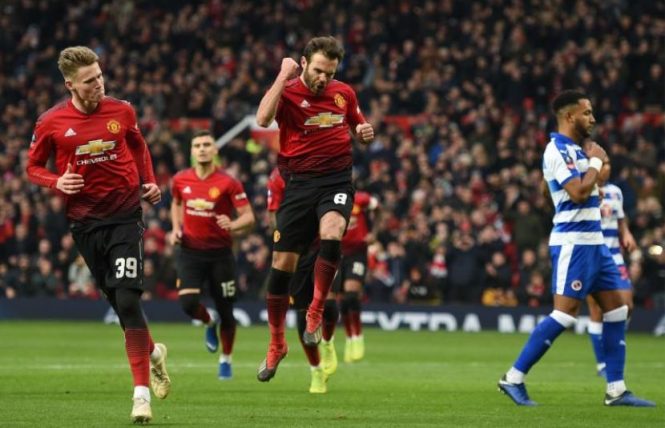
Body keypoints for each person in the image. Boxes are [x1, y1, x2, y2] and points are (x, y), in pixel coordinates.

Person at [26, 46, 171, 423]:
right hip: (85, 223)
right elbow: (32, 167)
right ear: (70, 85)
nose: (99, 84)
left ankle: (140, 396)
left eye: (100, 76)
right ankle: (154, 355)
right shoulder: (51, 122)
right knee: (119, 304)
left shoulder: (122, 111)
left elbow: (138, 145)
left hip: (125, 216)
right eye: (90, 80)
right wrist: (57, 181)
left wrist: (149, 181)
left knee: (127, 300)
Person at [497, 90, 654, 407]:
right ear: (570, 116)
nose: (592, 118)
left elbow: (553, 190)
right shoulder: (558, 149)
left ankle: (616, 390)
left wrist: (585, 181)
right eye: (587, 113)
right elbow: (579, 192)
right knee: (565, 314)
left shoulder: (575, 151)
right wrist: (595, 162)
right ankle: (513, 378)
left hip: (596, 243)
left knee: (617, 310)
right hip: (575, 244)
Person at [255, 36, 374, 382]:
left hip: (336, 179)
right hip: (298, 183)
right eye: (319, 70)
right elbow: (262, 118)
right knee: (281, 268)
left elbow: (358, 124)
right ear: (304, 63)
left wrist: (363, 132)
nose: (324, 78)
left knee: (333, 231)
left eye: (330, 72)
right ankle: (276, 343)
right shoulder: (288, 91)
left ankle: (316, 310)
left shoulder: (344, 93)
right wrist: (283, 75)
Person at [170, 130, 255, 380]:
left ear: (215, 150)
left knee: (226, 311)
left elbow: (249, 217)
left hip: (221, 255)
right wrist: (176, 229)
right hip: (190, 252)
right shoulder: (180, 180)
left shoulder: (229, 182)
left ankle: (226, 359)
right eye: (197, 145)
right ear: (192, 151)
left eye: (207, 144)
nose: (202, 149)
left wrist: (233, 224)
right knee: (188, 304)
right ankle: (209, 322)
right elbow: (176, 203)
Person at [266, 167, 338, 393]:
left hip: (322, 245)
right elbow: (273, 214)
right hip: (297, 249)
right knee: (300, 313)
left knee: (329, 303)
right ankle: (316, 370)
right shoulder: (278, 177)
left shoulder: (326, 165)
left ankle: (328, 342)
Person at [586, 160, 637, 377]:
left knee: (627, 305)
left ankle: (612, 348)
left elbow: (621, 220)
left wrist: (626, 233)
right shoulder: (583, 190)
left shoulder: (616, 192)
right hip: (593, 256)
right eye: (603, 163)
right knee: (597, 311)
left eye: (608, 163)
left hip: (615, 256)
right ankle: (602, 364)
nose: (607, 168)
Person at [335, 191, 379, 363]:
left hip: (357, 254)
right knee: (342, 299)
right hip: (335, 253)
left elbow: (377, 208)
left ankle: (358, 336)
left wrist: (374, 232)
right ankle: (349, 338)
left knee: (352, 294)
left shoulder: (361, 198)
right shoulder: (327, 198)